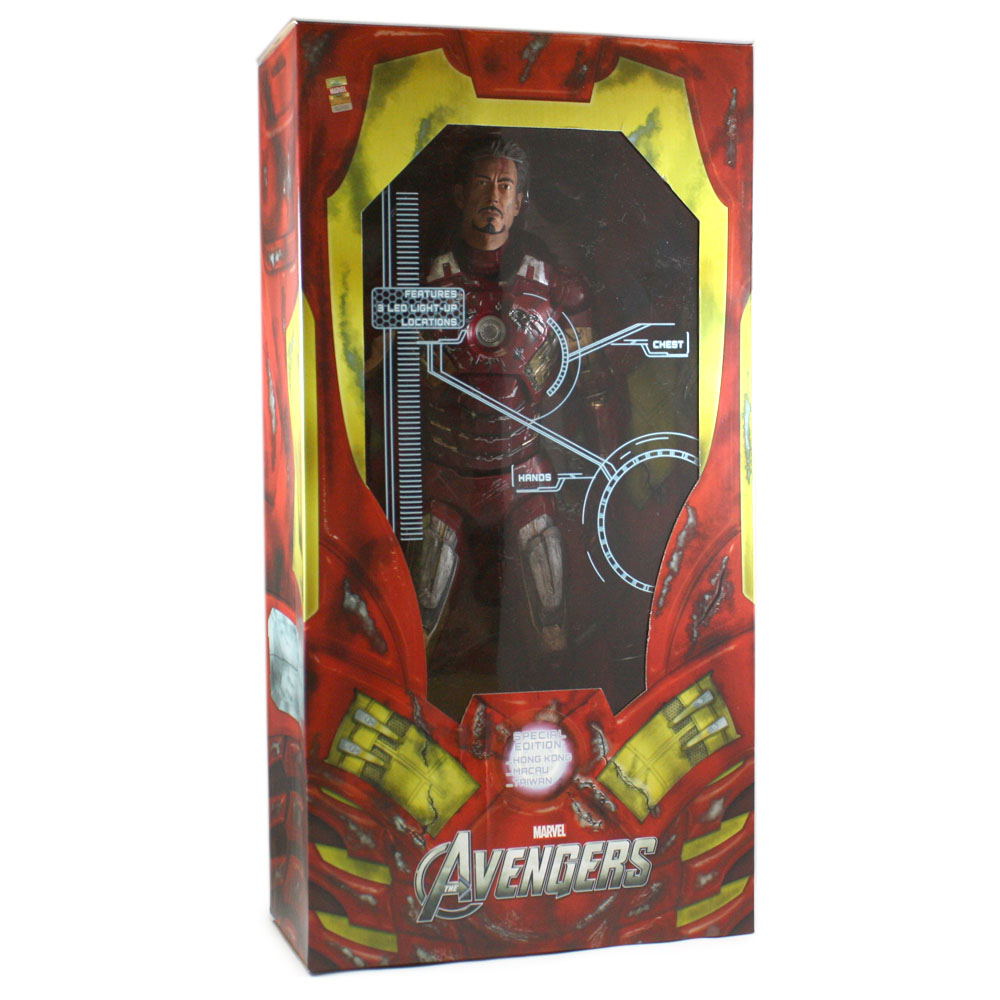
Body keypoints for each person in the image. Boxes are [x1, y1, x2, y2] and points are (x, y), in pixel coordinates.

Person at [408, 134, 618, 673]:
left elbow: (592, 380)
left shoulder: (554, 285)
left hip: (523, 469)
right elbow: (374, 373)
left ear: (521, 200)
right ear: (460, 193)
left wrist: (608, 461)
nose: (493, 197)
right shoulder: (423, 278)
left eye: (505, 186)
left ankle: (556, 693)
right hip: (446, 473)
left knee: (552, 617)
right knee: (421, 614)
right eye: (482, 183)